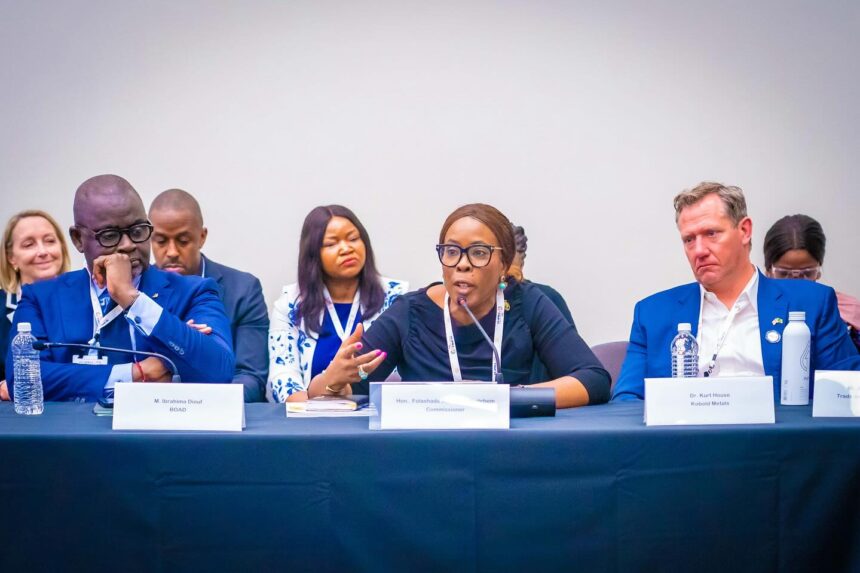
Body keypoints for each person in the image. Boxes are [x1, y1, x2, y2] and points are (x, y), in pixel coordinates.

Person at [307, 203, 610, 409]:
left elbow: (593, 378)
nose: (462, 265)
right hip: (428, 452)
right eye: (451, 251)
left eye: (478, 253)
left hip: (511, 448)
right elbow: (343, 393)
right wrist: (331, 381)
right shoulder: (409, 313)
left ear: (504, 263)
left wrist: (507, 399)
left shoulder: (527, 303)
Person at [612, 182, 859, 401]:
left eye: (711, 234)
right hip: (687, 438)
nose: (699, 250)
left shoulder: (811, 303)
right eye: (689, 240)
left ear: (744, 231)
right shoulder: (653, 314)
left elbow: (847, 396)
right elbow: (626, 402)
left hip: (777, 438)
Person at [6, 175, 235, 402]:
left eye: (137, 231)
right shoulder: (42, 297)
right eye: (110, 236)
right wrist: (136, 373)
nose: (128, 245)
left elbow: (219, 371)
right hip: (69, 426)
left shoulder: (193, 291)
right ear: (78, 239)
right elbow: (22, 380)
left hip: (154, 425)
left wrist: (132, 299)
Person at [268, 205, 408, 402]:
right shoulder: (291, 304)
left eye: (353, 238)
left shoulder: (397, 298)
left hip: (381, 414)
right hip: (312, 416)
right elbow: (283, 376)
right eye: (331, 243)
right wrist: (311, 413)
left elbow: (407, 371)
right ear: (313, 253)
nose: (346, 249)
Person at [149, 189, 270, 402]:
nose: (172, 251)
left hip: (221, 415)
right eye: (161, 241)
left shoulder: (243, 290)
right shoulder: (137, 292)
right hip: (151, 410)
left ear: (202, 237)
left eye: (183, 241)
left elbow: (251, 377)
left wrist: (196, 403)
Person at [0, 210, 72, 401]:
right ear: (11, 257)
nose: (43, 251)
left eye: (50, 241)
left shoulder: (86, 299)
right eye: (29, 244)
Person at [764, 214, 860, 351]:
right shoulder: (752, 309)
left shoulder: (849, 313)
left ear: (818, 269)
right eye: (784, 273)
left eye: (807, 273)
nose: (796, 283)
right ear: (768, 270)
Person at [508, 223, 576, 382]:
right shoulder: (461, 305)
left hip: (534, 395)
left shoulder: (545, 298)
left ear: (521, 261)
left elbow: (577, 375)